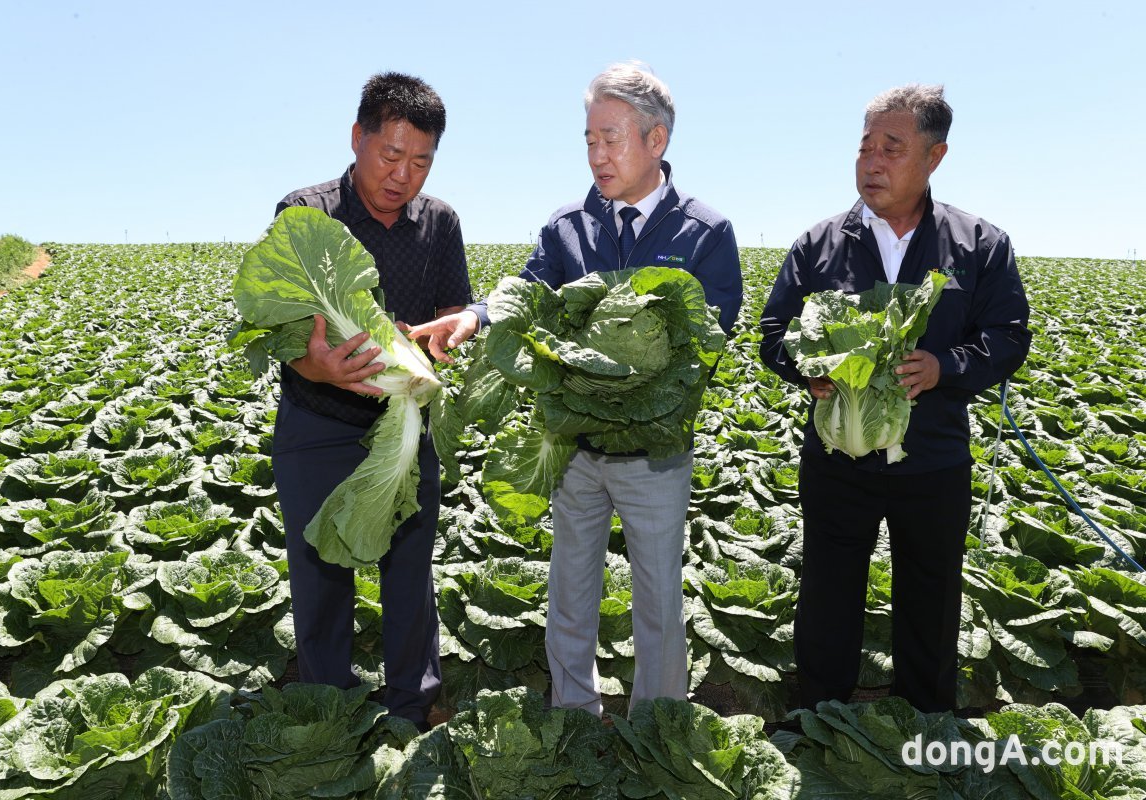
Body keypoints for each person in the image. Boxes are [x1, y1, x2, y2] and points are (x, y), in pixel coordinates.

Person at [409, 62, 742, 716]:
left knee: (658, 606)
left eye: (611, 138)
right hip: (576, 449)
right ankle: (573, 719)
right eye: (588, 139)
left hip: (655, 453)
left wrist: (625, 381)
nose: (597, 154)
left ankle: (658, 729)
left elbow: (707, 339)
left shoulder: (706, 232)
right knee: (569, 598)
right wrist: (477, 316)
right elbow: (526, 291)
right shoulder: (567, 227)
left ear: (657, 141)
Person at [758, 84, 1031, 713]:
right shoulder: (818, 244)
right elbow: (773, 334)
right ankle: (819, 717)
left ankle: (925, 723)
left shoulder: (979, 244)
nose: (872, 162)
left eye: (891, 147)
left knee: (931, 599)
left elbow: (1009, 335)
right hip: (838, 461)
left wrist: (946, 366)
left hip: (932, 459)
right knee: (828, 591)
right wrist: (808, 370)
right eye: (864, 147)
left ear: (934, 158)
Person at [270, 72, 472, 731]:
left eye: (420, 162)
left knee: (410, 573)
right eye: (391, 155)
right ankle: (327, 708)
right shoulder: (307, 213)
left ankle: (410, 706)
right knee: (321, 571)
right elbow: (285, 323)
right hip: (318, 422)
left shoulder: (439, 223)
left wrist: (442, 340)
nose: (402, 175)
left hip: (406, 428)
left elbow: (450, 308)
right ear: (358, 138)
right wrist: (322, 369)